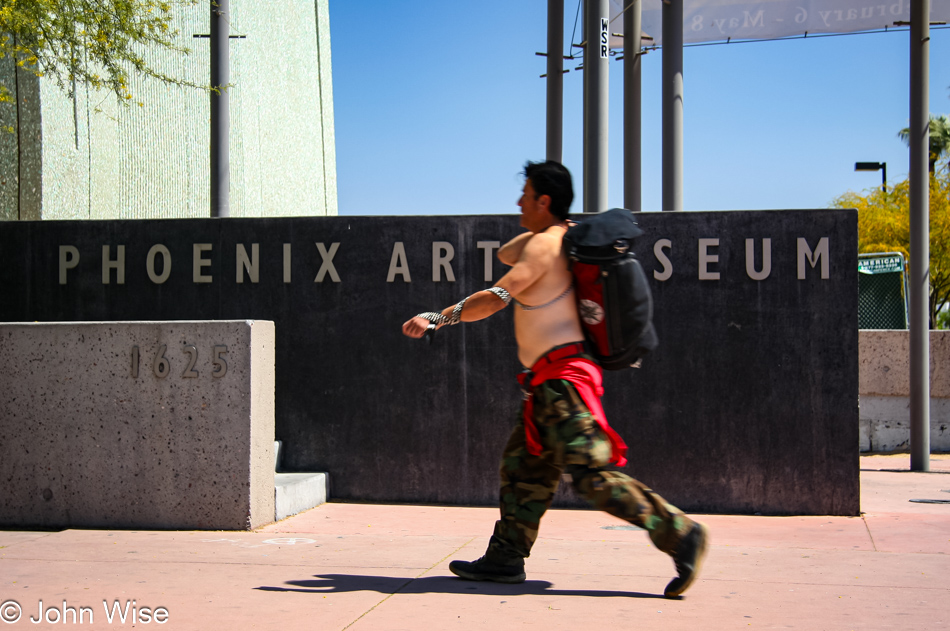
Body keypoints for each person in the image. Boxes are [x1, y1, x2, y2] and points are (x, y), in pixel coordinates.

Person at [401, 160, 708, 598]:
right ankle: (505, 559)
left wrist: (438, 317)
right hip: (547, 384)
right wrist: (549, 225)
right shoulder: (554, 241)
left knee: (592, 476)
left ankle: (681, 533)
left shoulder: (546, 247)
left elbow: (496, 297)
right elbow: (509, 251)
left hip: (563, 383)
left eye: (525, 195)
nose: (517, 202)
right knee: (523, 470)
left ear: (544, 200)